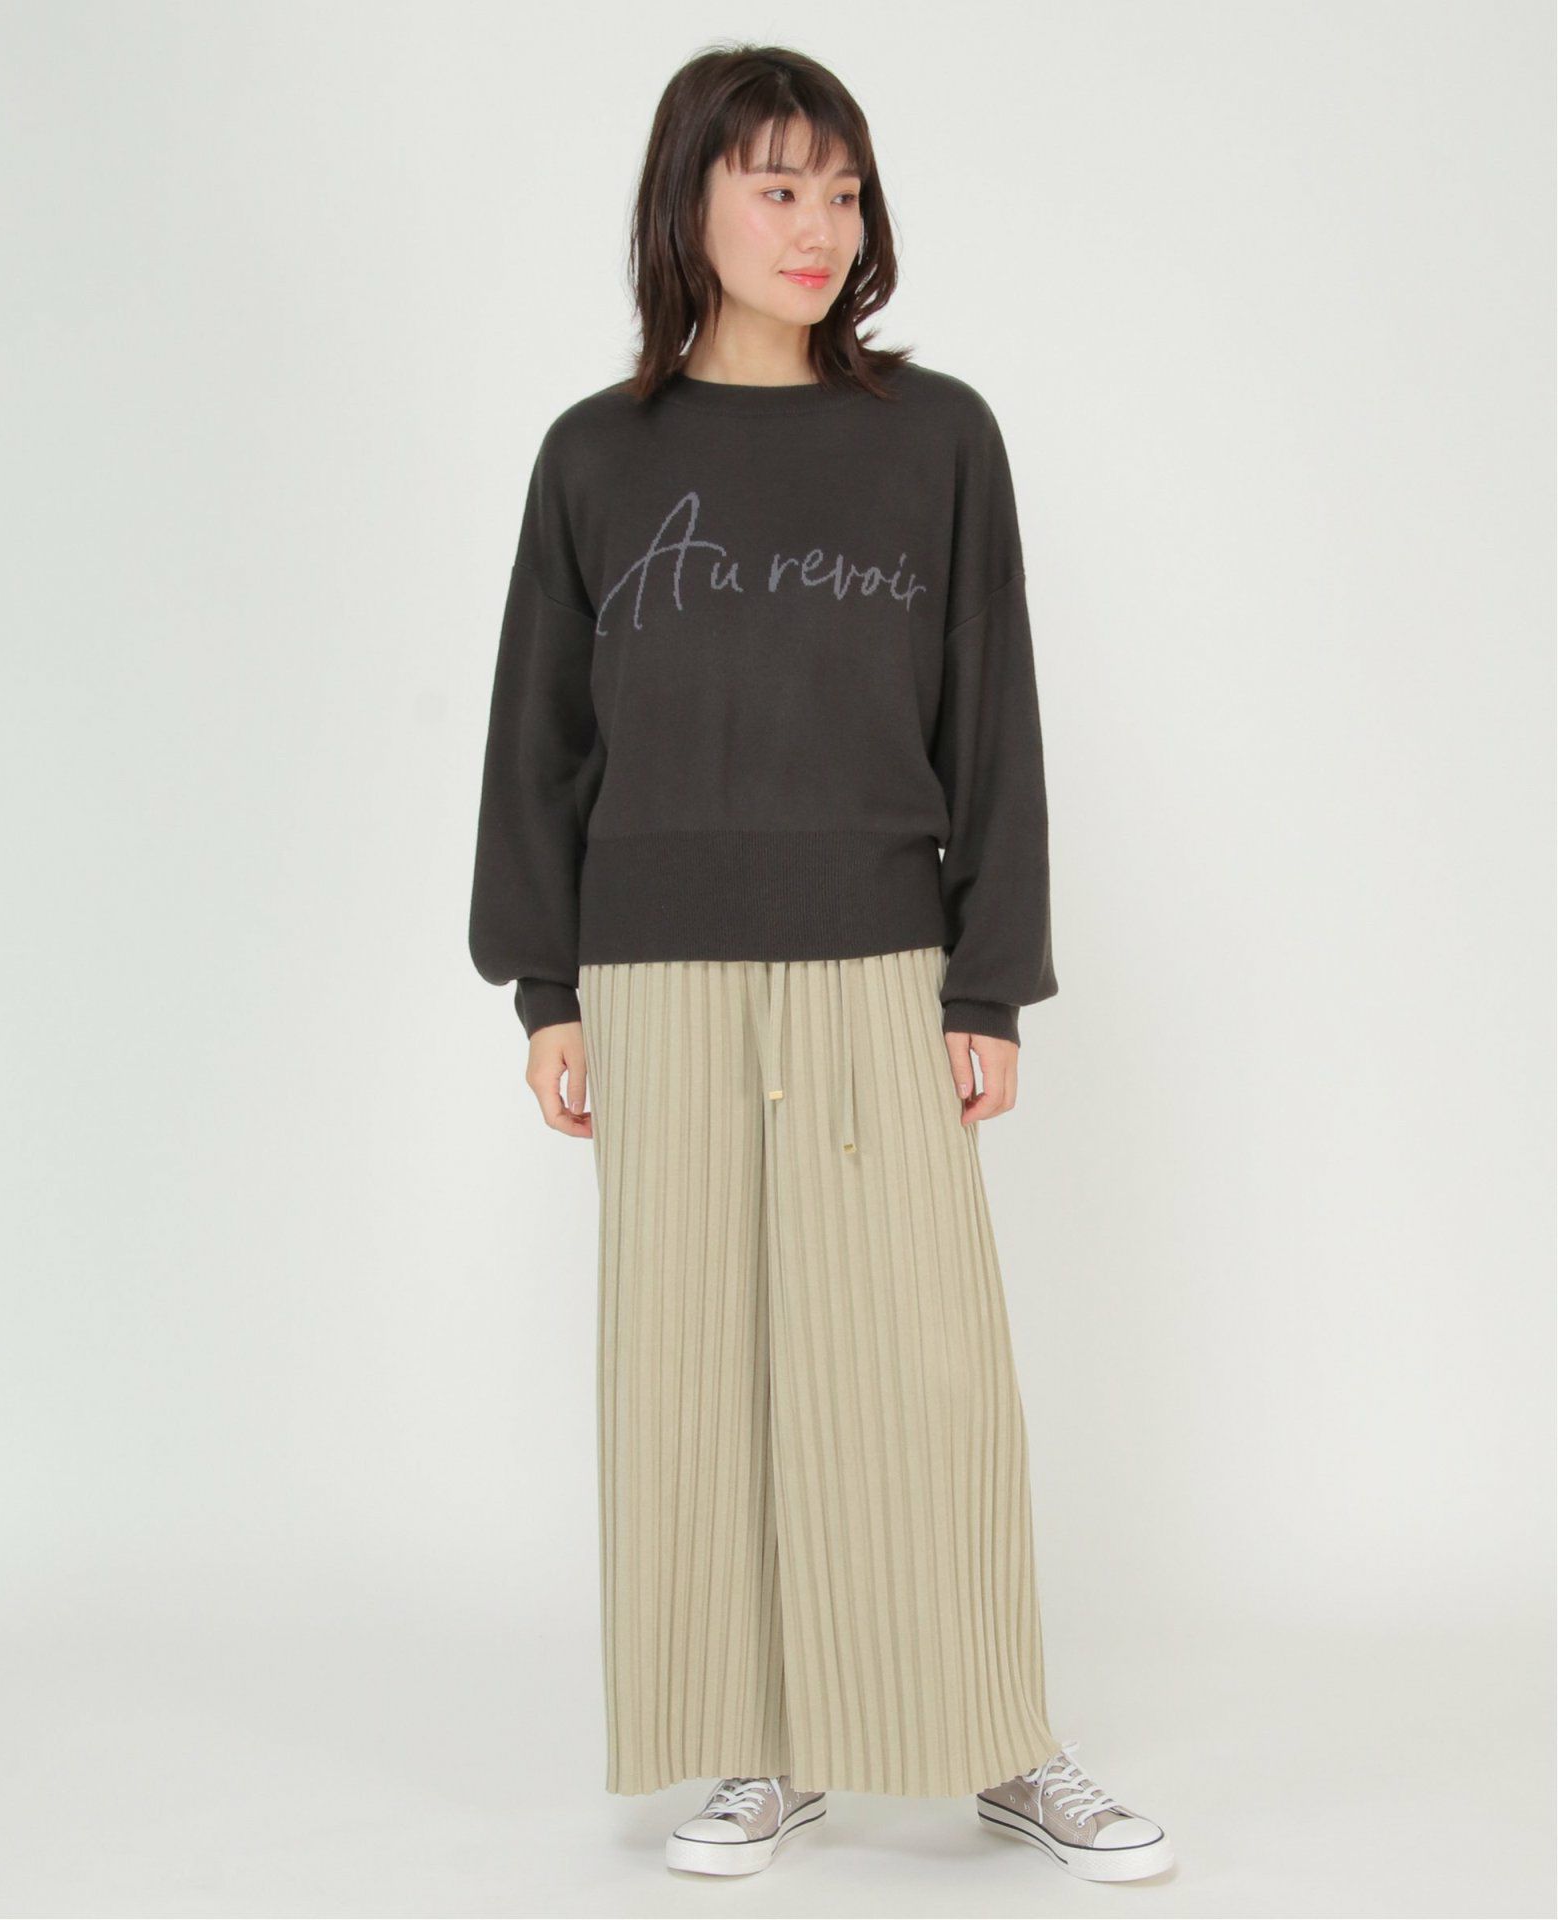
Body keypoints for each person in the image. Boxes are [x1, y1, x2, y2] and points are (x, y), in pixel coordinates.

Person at [468, 42, 1174, 1886]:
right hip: (654, 973)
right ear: (688, 200)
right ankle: (759, 1750)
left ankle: (998, 1737)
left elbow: (990, 717)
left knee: (922, 1371)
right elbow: (540, 738)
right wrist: (545, 992)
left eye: (842, 189)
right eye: (776, 185)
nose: (817, 224)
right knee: (699, 1372)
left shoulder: (935, 437)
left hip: (878, 956)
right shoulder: (595, 455)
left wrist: (985, 984)